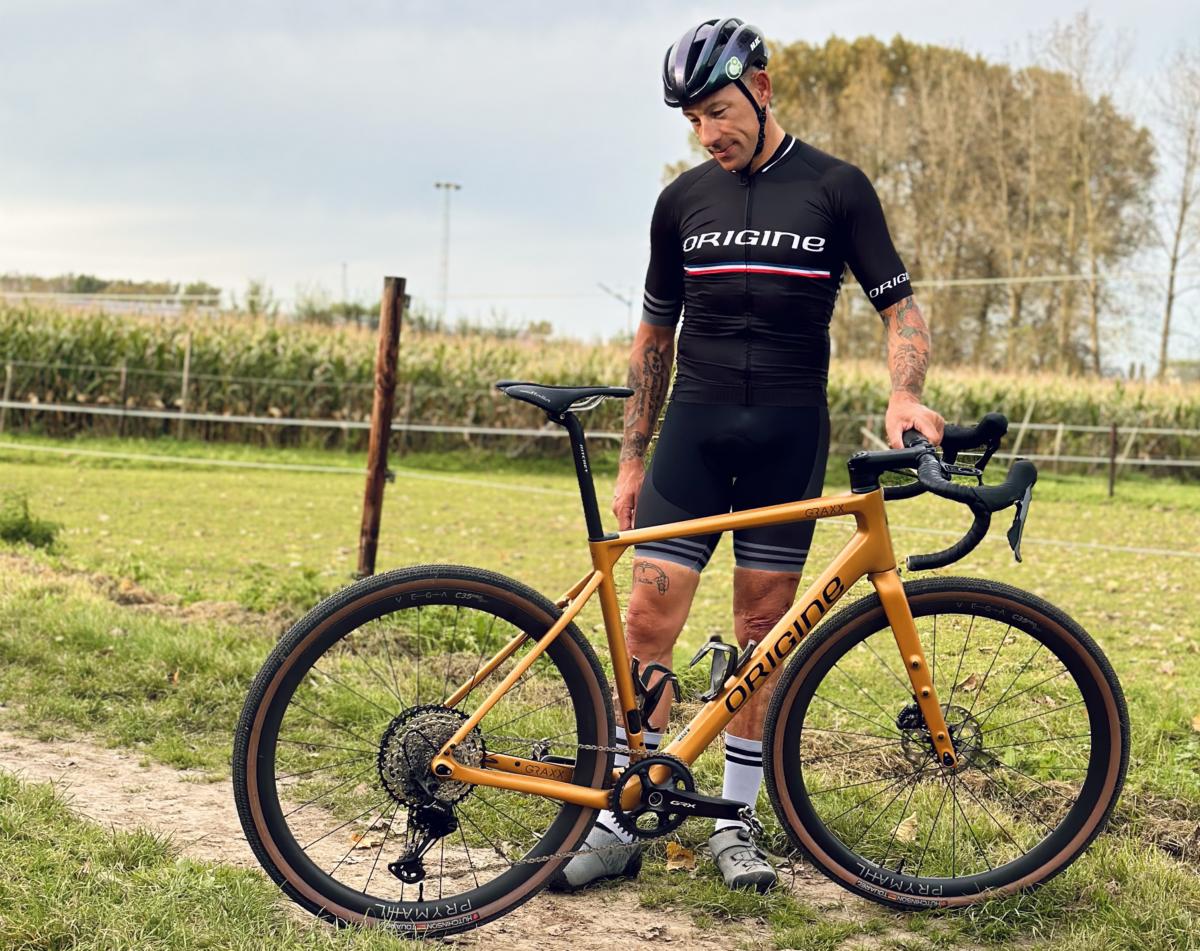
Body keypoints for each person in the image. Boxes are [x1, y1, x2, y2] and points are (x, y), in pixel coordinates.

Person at [549, 16, 944, 895]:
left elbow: (900, 309)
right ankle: (623, 816)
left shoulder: (837, 189)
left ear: (761, 89)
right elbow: (654, 338)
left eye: (718, 111)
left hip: (787, 437)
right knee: (647, 621)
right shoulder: (682, 202)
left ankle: (735, 820)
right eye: (692, 119)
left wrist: (905, 392)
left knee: (763, 637)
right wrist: (631, 460)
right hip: (693, 434)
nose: (707, 133)